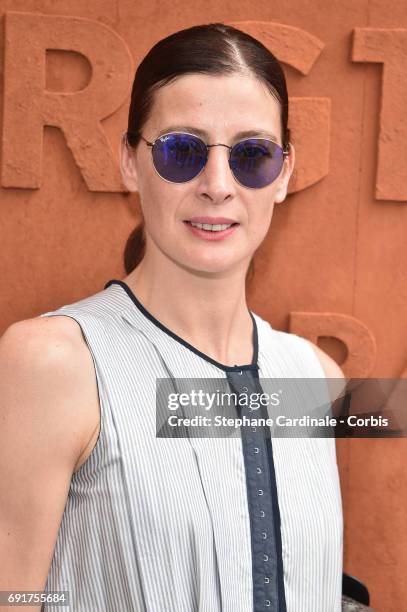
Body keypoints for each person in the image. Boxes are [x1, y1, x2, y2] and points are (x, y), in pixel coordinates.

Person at [0, 22, 344, 612]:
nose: (217, 186)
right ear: (130, 163)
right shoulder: (54, 363)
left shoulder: (314, 379)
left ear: (284, 174)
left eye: (252, 155)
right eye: (181, 151)